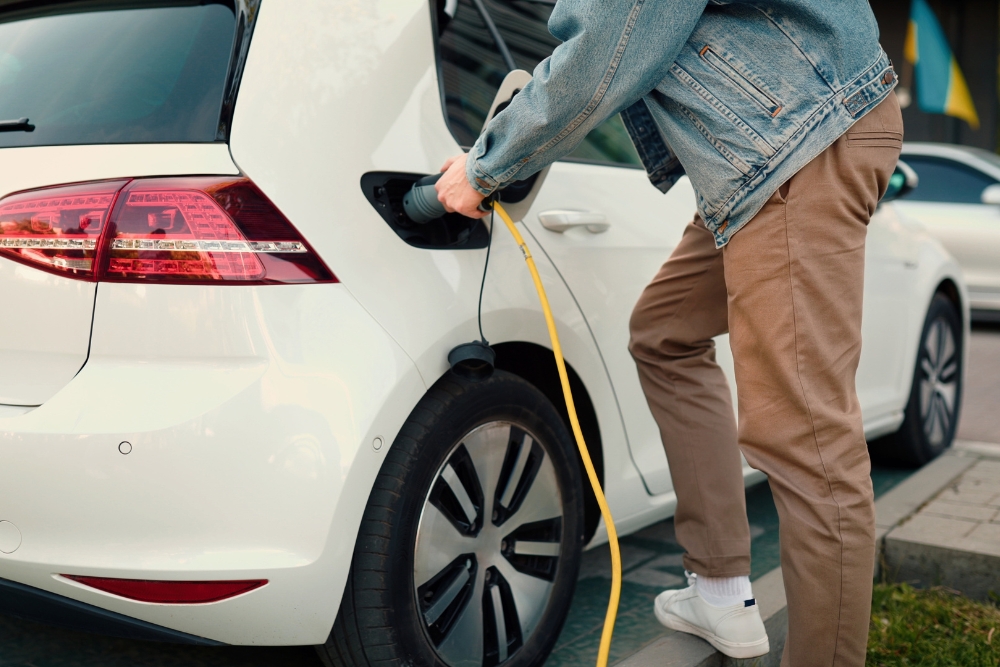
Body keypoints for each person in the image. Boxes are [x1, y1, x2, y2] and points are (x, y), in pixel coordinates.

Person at [435, 1, 902, 664]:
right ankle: (720, 587)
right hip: (776, 149)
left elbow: (606, 45)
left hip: (798, 142)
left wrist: (487, 165)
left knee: (809, 443)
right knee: (665, 333)